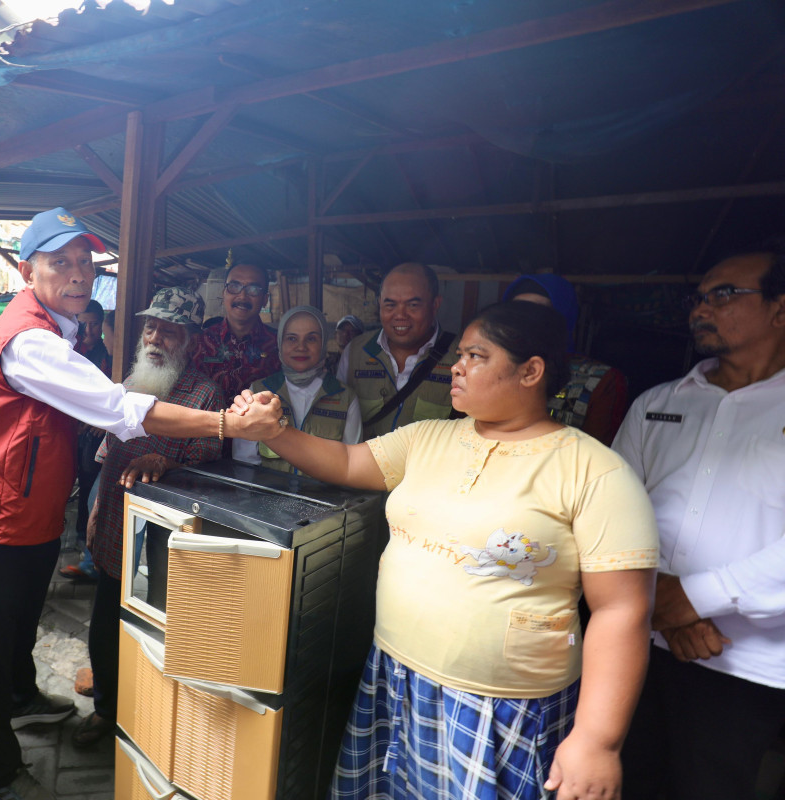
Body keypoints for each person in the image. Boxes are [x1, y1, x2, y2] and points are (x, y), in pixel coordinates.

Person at [234, 301, 659, 800]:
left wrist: (596, 739)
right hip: (393, 676)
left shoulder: (596, 471)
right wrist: (276, 433)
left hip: (502, 707)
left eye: (476, 356)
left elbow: (622, 609)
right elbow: (349, 462)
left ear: (531, 371)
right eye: (459, 354)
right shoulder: (427, 438)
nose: (456, 366)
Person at [0, 207, 270, 800]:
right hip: (1, 515)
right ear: (27, 270)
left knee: (21, 621)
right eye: (60, 263)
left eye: (85, 263)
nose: (77, 275)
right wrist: (226, 422)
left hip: (34, 510)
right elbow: (121, 413)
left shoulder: (59, 329)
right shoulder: (31, 341)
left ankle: (22, 698)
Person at [612, 244, 785, 800]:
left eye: (723, 295)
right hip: (638, 641)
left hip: (743, 666)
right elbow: (613, 511)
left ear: (780, 309)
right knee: (626, 780)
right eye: (698, 298)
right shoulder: (657, 403)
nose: (700, 309)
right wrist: (666, 603)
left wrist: (695, 598)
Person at [73, 287, 223, 749]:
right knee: (103, 625)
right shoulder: (132, 378)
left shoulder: (205, 391)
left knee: (153, 631)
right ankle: (106, 708)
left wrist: (168, 463)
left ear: (190, 340)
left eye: (170, 330)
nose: (157, 336)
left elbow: (210, 459)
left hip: (164, 534)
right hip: (115, 523)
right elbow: (107, 454)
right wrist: (95, 513)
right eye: (152, 326)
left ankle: (148, 719)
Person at [234, 305, 362, 474]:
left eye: (311, 339)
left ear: (323, 344)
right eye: (292, 339)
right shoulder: (258, 392)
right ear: (280, 343)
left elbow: (353, 465)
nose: (301, 347)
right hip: (269, 498)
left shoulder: (344, 398)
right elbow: (245, 465)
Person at [504, 274, 629, 445]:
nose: (527, 318)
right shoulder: (488, 366)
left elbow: (596, 459)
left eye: (540, 310)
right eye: (517, 309)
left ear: (564, 316)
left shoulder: (599, 381)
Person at [338, 262, 458, 438]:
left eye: (413, 305)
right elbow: (338, 416)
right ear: (379, 303)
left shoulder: (461, 357)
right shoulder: (356, 351)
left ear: (435, 304)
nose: (400, 315)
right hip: (362, 465)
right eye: (390, 305)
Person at [59, 300, 111, 583]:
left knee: (90, 485)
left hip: (92, 433)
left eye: (94, 324)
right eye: (83, 324)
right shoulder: (68, 350)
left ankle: (85, 544)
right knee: (64, 483)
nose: (88, 330)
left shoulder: (109, 353)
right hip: (67, 430)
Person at [192, 261, 281, 405]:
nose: (242, 296)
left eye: (253, 289)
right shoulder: (199, 343)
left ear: (265, 299)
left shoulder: (279, 346)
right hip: (207, 425)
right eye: (234, 286)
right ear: (224, 293)